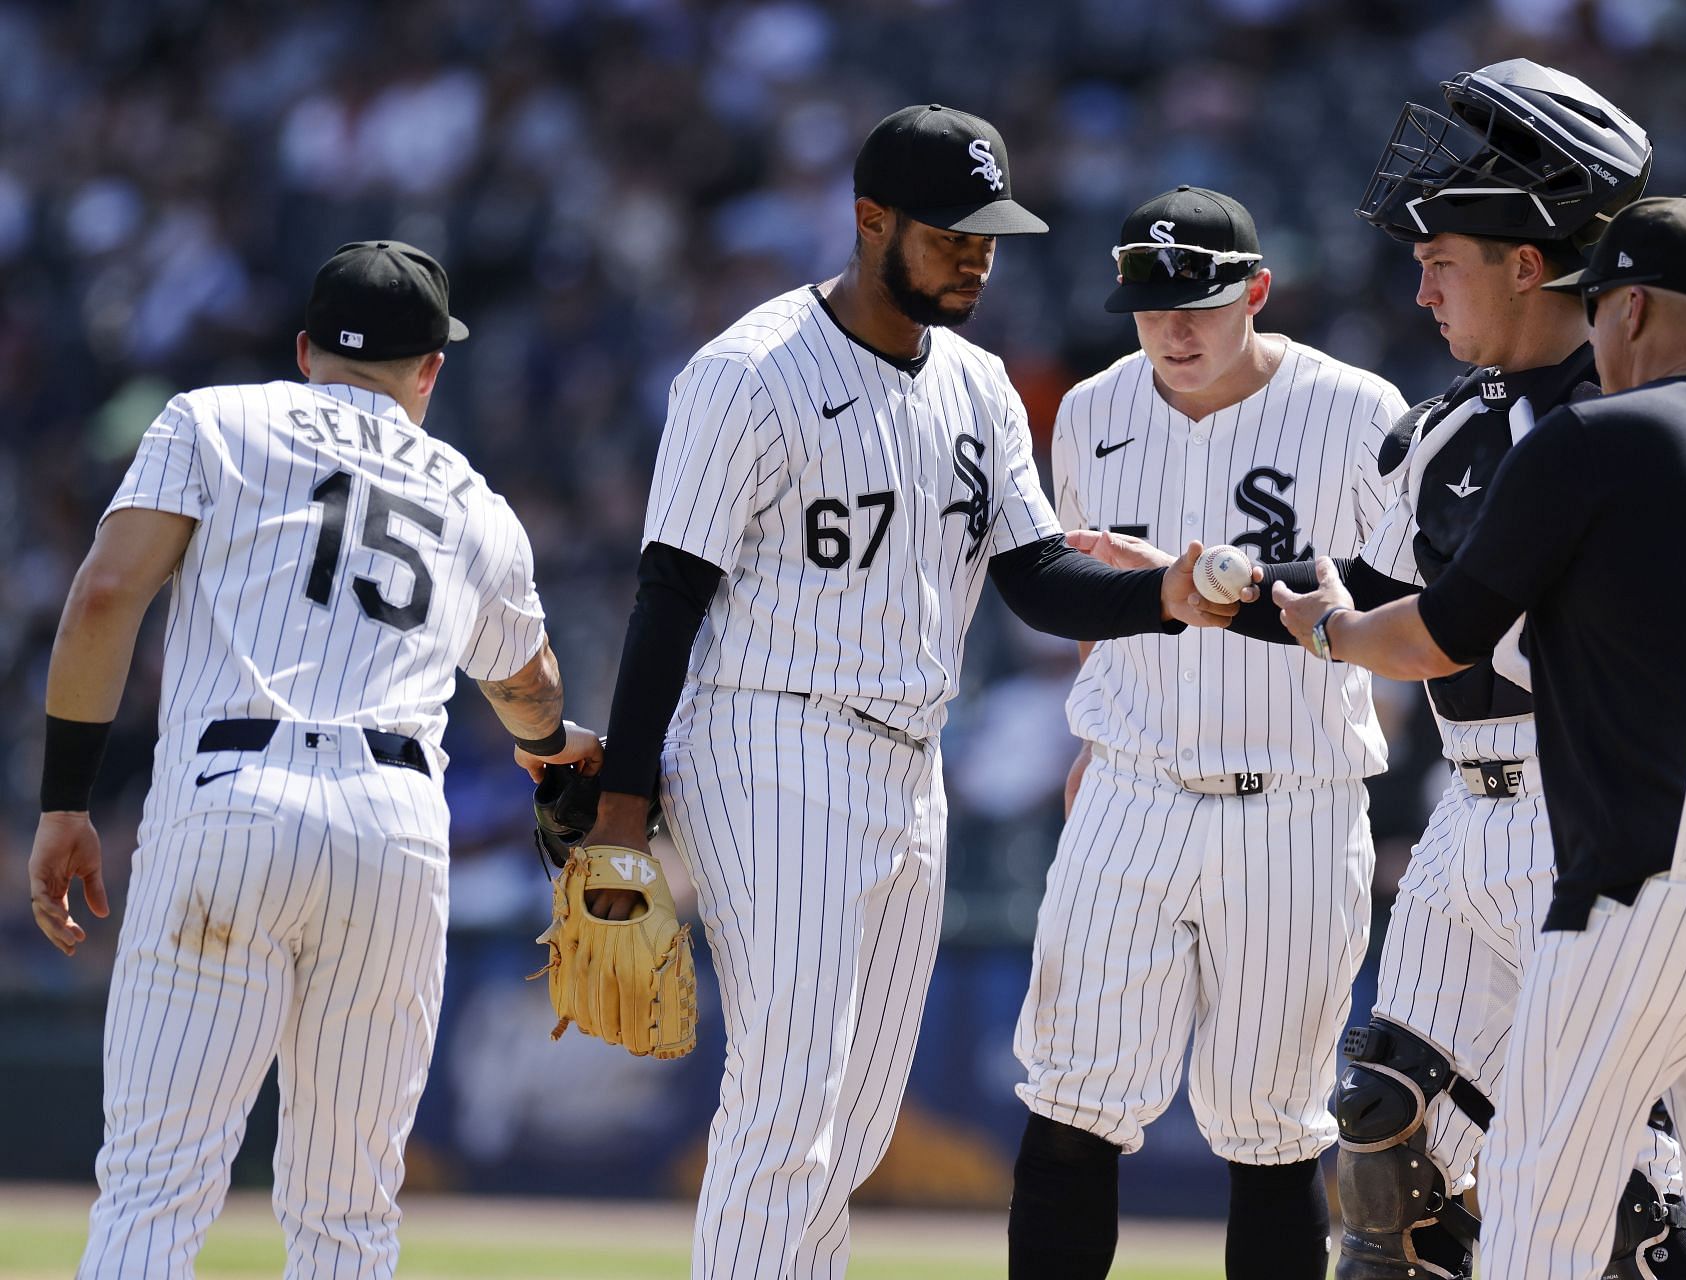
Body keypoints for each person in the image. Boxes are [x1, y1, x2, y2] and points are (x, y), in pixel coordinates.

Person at [579, 105, 1249, 1280]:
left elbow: (1037, 577)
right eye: (953, 235)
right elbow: (668, 594)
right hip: (769, 733)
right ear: (870, 220)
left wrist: (1169, 599)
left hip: (908, 758)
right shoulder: (748, 372)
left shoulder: (982, 384)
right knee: (789, 1096)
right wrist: (624, 815)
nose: (978, 256)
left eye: (992, 236)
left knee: (856, 1123)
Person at [1074, 61, 1686, 1279]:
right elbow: (1353, 589)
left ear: (1530, 262)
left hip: (1588, 810)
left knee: (1625, 1195)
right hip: (1467, 814)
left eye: (1443, 260)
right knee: (1380, 1141)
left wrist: (1306, 616)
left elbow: (1435, 627)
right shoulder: (1450, 426)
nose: (1417, 290)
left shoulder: (1635, 422)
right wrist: (1203, 581)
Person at [1274, 194, 1686, 1280]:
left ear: (1635, 306)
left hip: (1659, 862)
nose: (1592, 329)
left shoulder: (1592, 437)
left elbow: (1440, 632)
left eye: (1600, 304)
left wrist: (1327, 627)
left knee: (1541, 1206)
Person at [26, 241, 600, 1277]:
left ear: (303, 349)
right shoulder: (475, 500)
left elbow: (107, 596)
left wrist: (65, 800)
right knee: (347, 1213)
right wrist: (551, 754)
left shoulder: (213, 417)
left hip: (229, 802)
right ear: (431, 369)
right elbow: (530, 685)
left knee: (157, 1189)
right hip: (392, 830)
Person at [1005, 186, 1404, 1280]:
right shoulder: (1092, 407)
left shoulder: (1358, 409)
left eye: (1201, 301)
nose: (1175, 328)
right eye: (1151, 303)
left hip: (1295, 796)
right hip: (1131, 787)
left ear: (1257, 293)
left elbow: (1402, 593)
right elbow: (1086, 591)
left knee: (1271, 1124)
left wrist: (1225, 588)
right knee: (1071, 1099)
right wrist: (1095, 744)